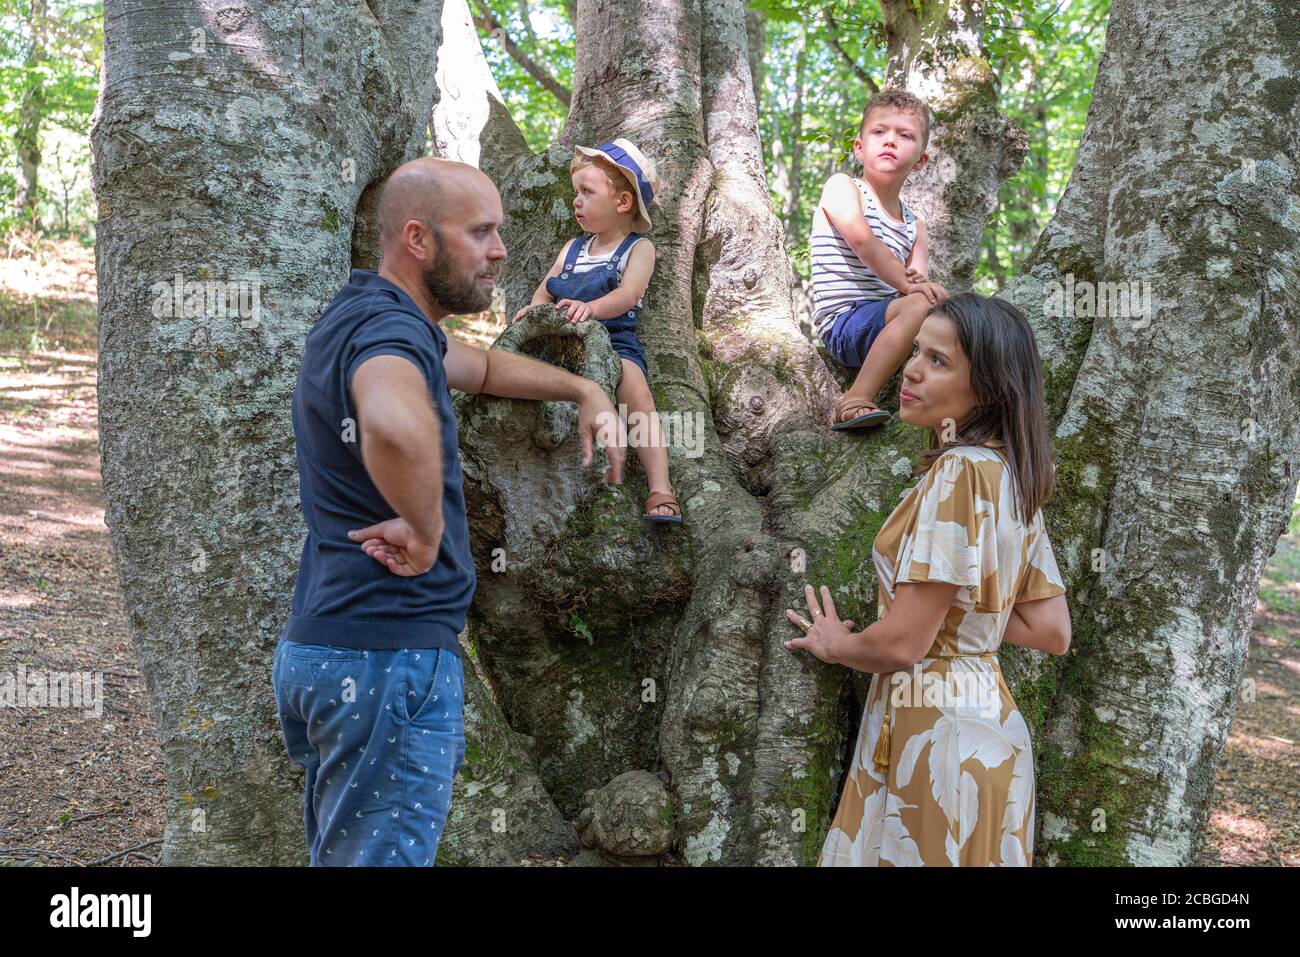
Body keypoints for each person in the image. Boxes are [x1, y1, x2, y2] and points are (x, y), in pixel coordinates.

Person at [272, 157, 625, 866]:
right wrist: (427, 528)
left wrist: (585, 391)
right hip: (386, 658)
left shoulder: (372, 316)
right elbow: (395, 425)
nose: (500, 250)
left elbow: (485, 368)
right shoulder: (390, 335)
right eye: (481, 232)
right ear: (418, 239)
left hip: (328, 645)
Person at [784, 293, 1072, 866]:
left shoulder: (960, 472)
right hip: (992, 736)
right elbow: (1049, 629)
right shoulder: (1013, 479)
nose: (912, 369)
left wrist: (837, 644)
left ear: (989, 388)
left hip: (934, 739)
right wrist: (961, 621)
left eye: (939, 360)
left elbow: (901, 643)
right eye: (916, 350)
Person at [511, 138, 681, 523]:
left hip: (614, 339)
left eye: (586, 192)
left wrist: (592, 309)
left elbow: (628, 294)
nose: (576, 201)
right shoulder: (572, 248)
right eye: (576, 193)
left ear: (622, 203)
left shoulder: (637, 249)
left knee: (637, 395)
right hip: (557, 342)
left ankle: (660, 487)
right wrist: (535, 311)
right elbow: (547, 286)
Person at [809, 88, 951, 431]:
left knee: (938, 306)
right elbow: (862, 241)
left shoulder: (915, 225)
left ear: (920, 160)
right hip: (844, 324)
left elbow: (916, 284)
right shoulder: (843, 187)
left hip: (886, 320)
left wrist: (933, 293)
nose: (890, 141)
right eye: (879, 132)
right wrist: (910, 286)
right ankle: (855, 398)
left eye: (905, 135)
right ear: (859, 148)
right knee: (919, 305)